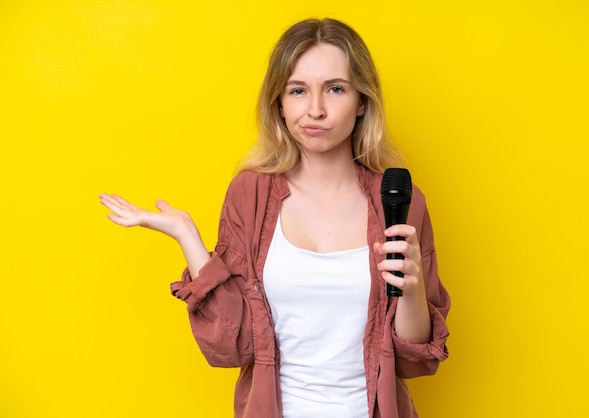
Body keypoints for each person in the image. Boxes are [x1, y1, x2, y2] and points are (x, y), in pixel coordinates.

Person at [100, 17, 450, 418]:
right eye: (298, 91)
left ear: (362, 103)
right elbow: (234, 347)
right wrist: (187, 236)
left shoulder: (402, 202)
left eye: (335, 89)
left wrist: (411, 286)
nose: (315, 110)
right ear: (279, 105)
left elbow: (414, 359)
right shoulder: (250, 195)